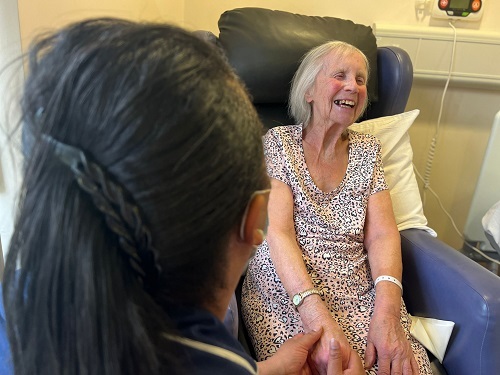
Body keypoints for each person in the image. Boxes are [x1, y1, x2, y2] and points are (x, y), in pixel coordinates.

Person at [1, 19, 365, 375]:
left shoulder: (15, 304)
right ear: (255, 221)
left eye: (361, 78)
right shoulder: (217, 353)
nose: (352, 86)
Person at [241, 41, 432, 375]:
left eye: (360, 79)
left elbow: (383, 235)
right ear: (310, 91)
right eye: (339, 75)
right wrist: (317, 316)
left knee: (400, 364)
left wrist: (386, 313)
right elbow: (278, 232)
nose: (353, 87)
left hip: (358, 288)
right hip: (289, 289)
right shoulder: (278, 142)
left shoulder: (368, 151)